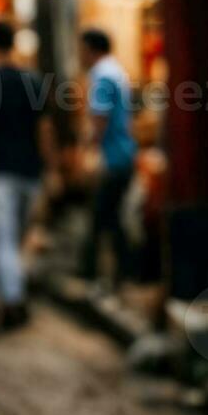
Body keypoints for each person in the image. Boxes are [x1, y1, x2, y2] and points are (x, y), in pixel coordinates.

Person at [0, 20, 57, 327]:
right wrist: (50, 169)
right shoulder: (33, 80)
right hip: (30, 171)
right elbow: (45, 129)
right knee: (19, 238)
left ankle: (13, 299)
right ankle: (15, 294)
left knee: (4, 240)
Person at [78, 28, 137, 286]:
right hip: (123, 153)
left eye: (81, 48)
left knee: (103, 215)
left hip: (113, 157)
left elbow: (98, 119)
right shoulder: (116, 71)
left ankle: (96, 271)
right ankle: (121, 272)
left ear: (91, 49)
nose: (79, 54)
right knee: (110, 216)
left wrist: (86, 149)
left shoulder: (102, 76)